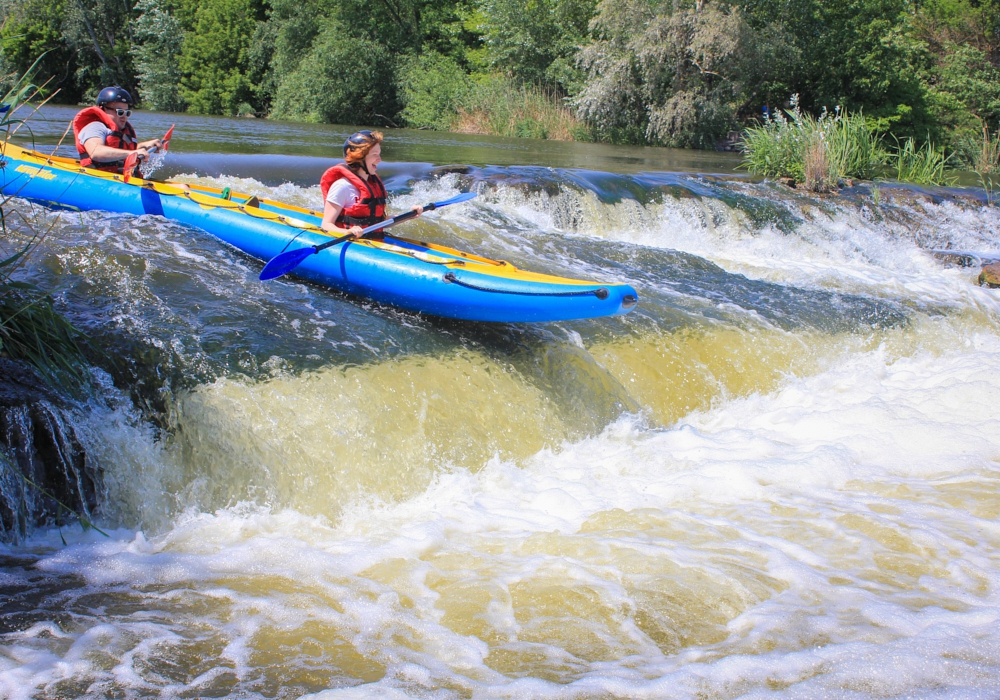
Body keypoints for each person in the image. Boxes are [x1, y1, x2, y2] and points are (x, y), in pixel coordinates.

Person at [319, 130, 421, 236]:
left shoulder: (373, 186)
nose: (379, 159)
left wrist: (409, 215)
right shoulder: (342, 187)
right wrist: (347, 232)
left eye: (379, 154)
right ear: (359, 157)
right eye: (375, 154)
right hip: (351, 243)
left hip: (373, 241)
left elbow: (381, 222)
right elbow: (326, 225)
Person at [73, 86, 162, 173]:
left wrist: (144, 146)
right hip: (97, 178)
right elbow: (95, 152)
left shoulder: (122, 131)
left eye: (127, 112)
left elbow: (119, 148)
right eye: (120, 112)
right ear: (103, 109)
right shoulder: (95, 127)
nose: (124, 116)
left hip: (120, 178)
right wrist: (132, 153)